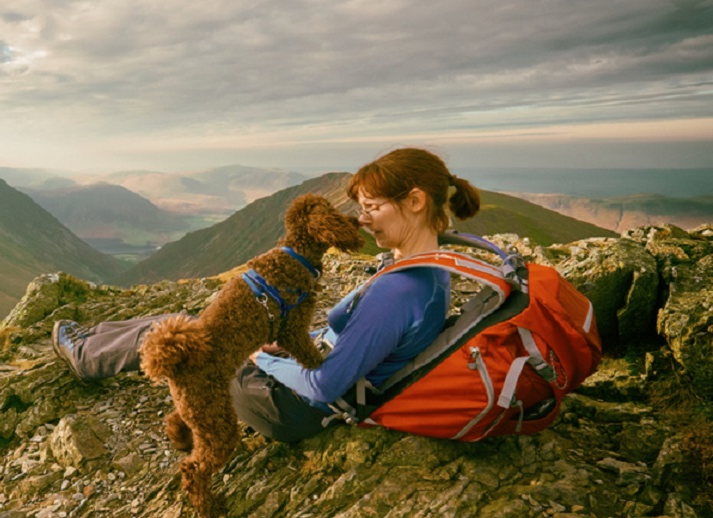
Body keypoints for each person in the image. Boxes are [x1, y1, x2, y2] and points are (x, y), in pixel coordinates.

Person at [52, 147, 481, 443]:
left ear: (416, 201)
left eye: (371, 208)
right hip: (312, 379)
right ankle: (92, 342)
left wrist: (264, 356)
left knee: (184, 334)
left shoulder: (401, 290)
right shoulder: (424, 268)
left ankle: (86, 355)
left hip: (289, 408)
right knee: (197, 325)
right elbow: (349, 336)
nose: (363, 221)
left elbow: (325, 384)